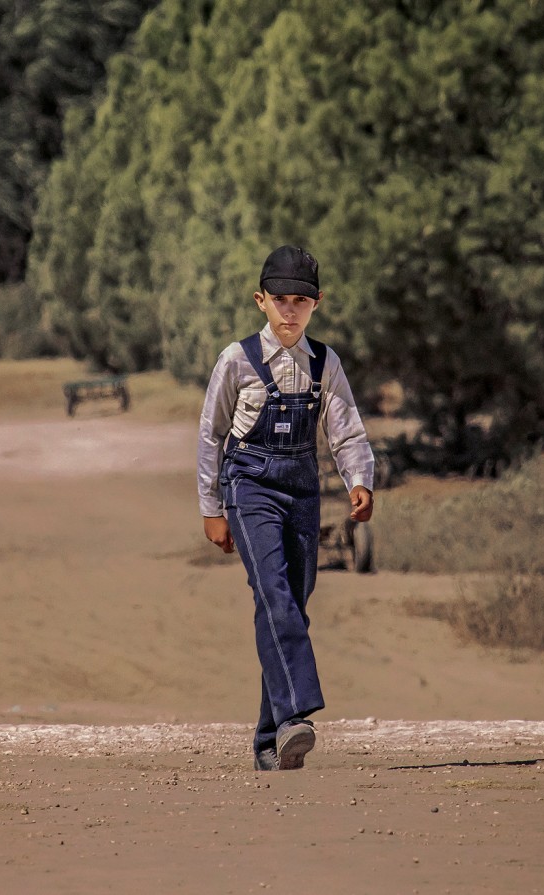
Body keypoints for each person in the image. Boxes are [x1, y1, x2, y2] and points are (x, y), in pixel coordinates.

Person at [197, 245, 375, 771]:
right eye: (280, 300)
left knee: (290, 607)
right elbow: (211, 436)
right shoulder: (236, 360)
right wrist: (212, 508)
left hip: (301, 489)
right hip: (248, 485)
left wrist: (359, 480)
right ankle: (296, 716)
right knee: (272, 591)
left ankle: (268, 745)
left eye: (301, 301)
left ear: (317, 304)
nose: (290, 311)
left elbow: (346, 431)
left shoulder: (326, 363)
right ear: (261, 301)